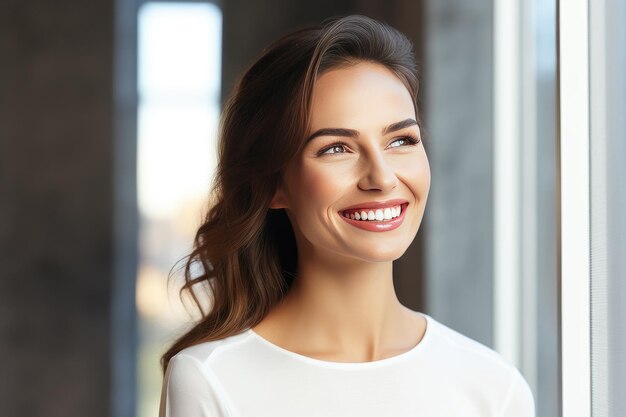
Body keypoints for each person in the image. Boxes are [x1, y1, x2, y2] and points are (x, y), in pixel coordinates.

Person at [158, 14, 535, 417]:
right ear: (273, 185)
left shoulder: (493, 387)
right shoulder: (211, 381)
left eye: (401, 140)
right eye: (337, 148)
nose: (382, 177)